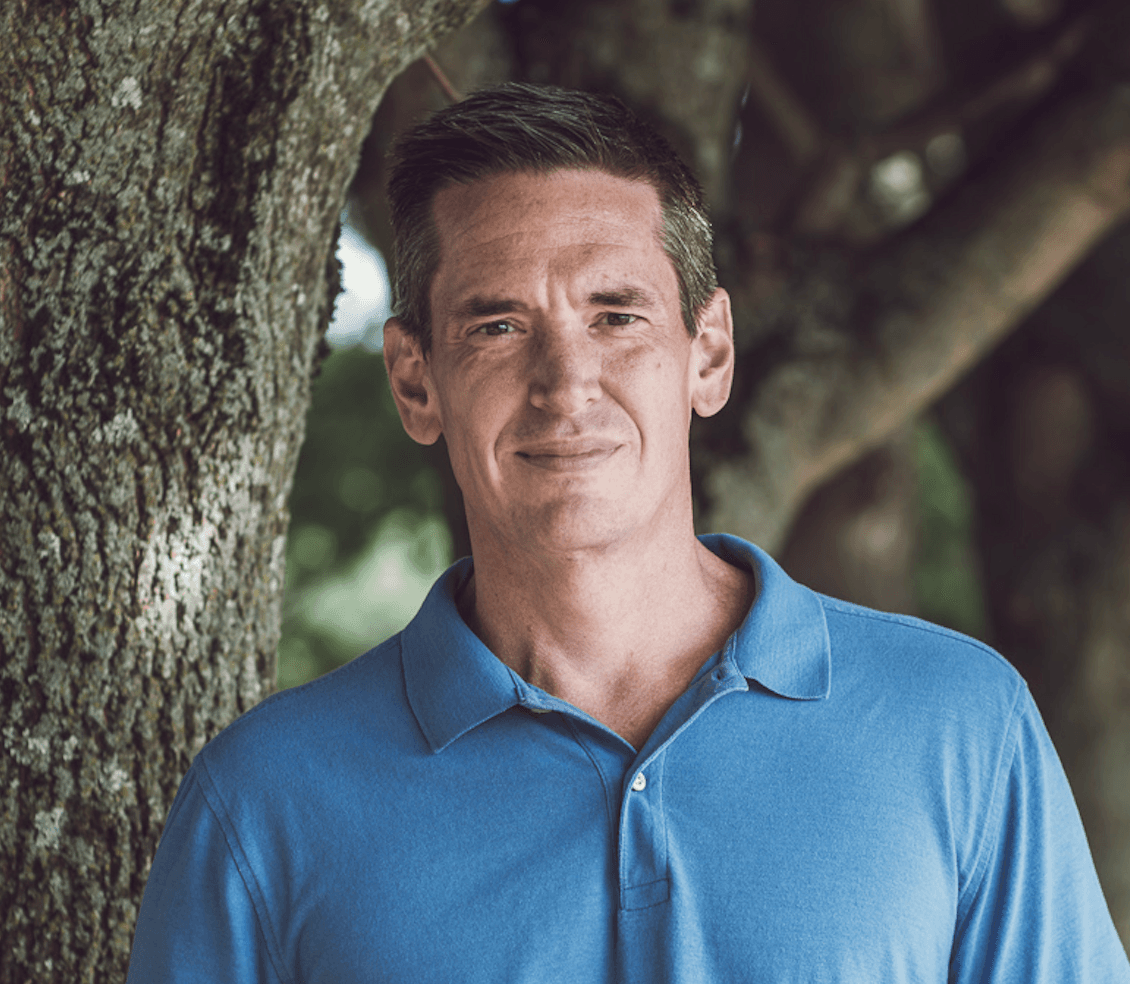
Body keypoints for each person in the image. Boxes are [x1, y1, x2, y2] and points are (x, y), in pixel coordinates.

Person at [127, 83, 1130, 982]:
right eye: (497, 326)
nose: (567, 385)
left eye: (615, 317)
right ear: (415, 380)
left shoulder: (956, 725)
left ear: (709, 353)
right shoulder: (266, 800)